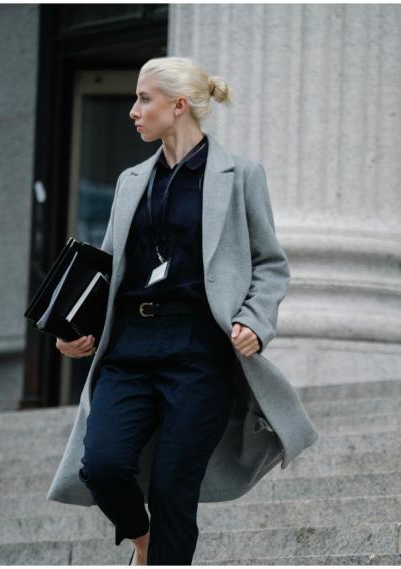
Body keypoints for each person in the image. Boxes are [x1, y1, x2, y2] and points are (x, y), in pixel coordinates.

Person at [56, 56, 263, 565]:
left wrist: (256, 321)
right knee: (103, 464)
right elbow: (106, 267)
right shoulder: (131, 181)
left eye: (144, 99)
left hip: (199, 354)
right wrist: (73, 329)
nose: (133, 111)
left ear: (178, 105)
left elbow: (271, 264)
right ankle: (143, 541)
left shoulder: (240, 176)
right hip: (129, 347)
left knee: (174, 489)